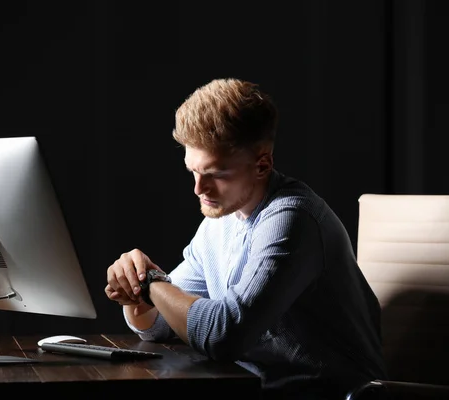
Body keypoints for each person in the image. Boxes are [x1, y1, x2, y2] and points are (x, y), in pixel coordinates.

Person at [105, 78, 386, 399]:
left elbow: (223, 335)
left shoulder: (292, 220)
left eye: (215, 174)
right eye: (193, 171)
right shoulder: (221, 218)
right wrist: (136, 294)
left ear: (262, 164)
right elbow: (163, 325)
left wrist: (152, 284)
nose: (199, 189)